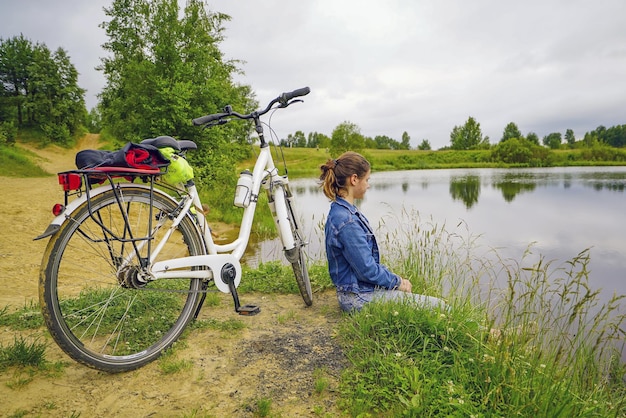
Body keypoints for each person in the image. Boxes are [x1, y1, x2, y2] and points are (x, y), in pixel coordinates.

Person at [319, 151, 448, 313]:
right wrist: (398, 282)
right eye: (367, 180)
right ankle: (483, 333)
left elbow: (366, 265)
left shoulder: (342, 211)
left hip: (361, 291)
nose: (368, 185)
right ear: (354, 179)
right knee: (439, 307)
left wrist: (393, 280)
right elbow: (367, 270)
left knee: (427, 303)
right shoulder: (347, 221)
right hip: (357, 297)